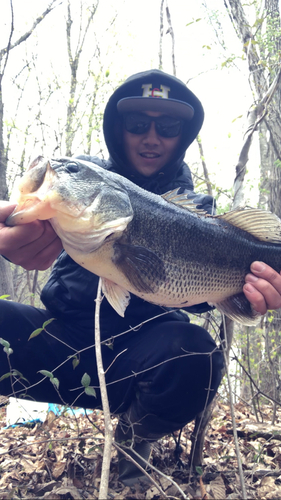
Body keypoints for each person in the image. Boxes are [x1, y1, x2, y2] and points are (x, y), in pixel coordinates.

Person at [1, 69, 281, 485]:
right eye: (136, 125)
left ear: (182, 136)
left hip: (141, 365)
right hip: (64, 349)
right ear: (118, 129)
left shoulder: (198, 210)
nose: (151, 137)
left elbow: (182, 289)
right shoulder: (88, 176)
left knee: (197, 354)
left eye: (167, 127)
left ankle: (134, 437)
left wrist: (256, 293)